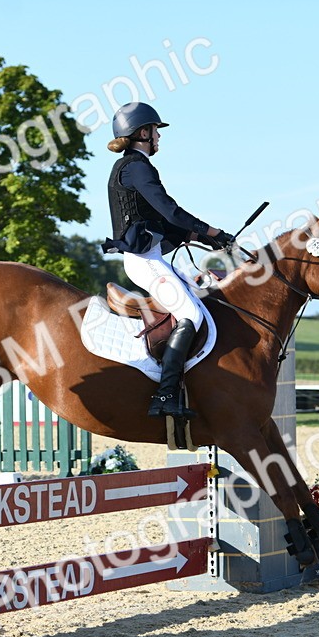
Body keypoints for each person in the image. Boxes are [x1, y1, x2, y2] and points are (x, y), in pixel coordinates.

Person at [102, 101, 233, 419]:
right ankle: (165, 395)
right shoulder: (136, 166)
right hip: (143, 260)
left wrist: (204, 237)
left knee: (200, 303)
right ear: (142, 132)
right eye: (156, 131)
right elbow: (169, 209)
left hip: (151, 257)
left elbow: (161, 221)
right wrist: (210, 229)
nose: (159, 138)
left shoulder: (133, 166)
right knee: (191, 314)